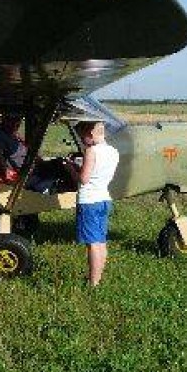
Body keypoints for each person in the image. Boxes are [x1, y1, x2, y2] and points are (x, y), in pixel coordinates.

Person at [73, 120, 119, 286]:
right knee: (100, 242)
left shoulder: (91, 151)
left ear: (91, 134)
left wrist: (70, 168)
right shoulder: (113, 151)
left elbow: (83, 179)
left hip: (89, 201)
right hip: (104, 199)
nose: (82, 141)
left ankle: (93, 283)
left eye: (82, 137)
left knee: (92, 244)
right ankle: (97, 278)